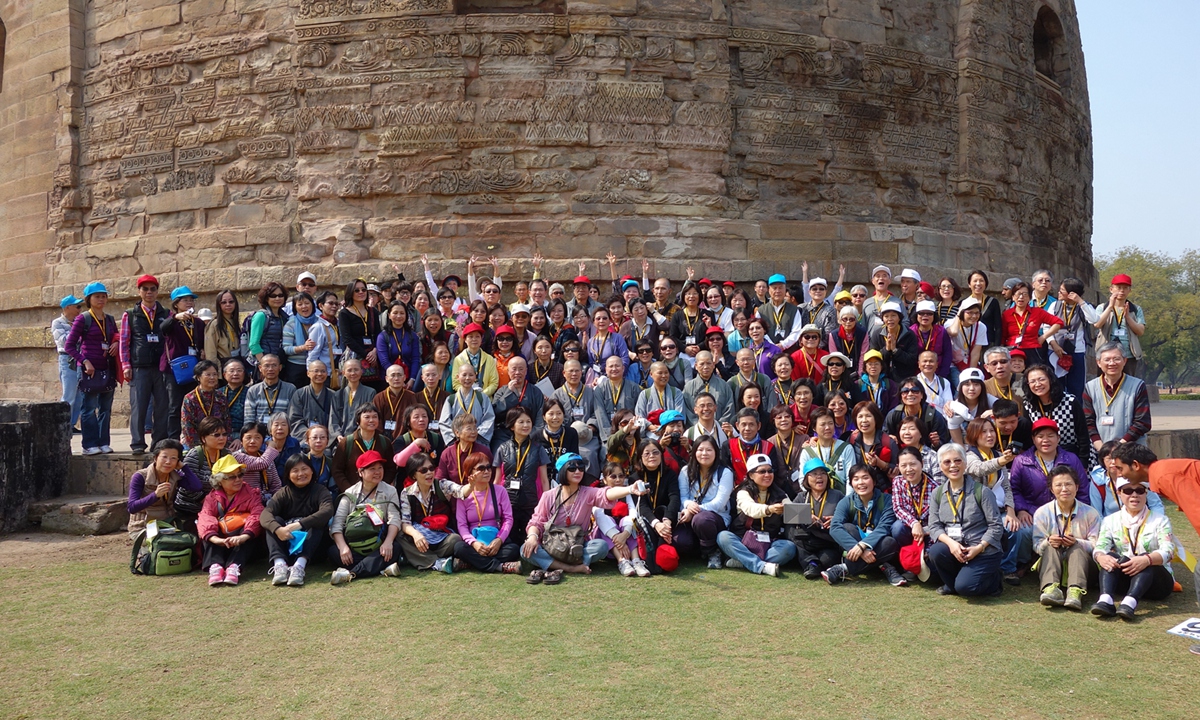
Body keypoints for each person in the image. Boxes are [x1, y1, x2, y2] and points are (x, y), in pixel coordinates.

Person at [521, 453, 646, 584]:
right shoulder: (549, 496)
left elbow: (606, 493)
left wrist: (630, 489)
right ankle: (572, 568)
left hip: (577, 546)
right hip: (552, 545)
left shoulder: (587, 493)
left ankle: (552, 565)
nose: (577, 471)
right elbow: (536, 521)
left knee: (601, 546)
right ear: (562, 470)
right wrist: (532, 537)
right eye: (572, 468)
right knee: (525, 549)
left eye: (580, 467)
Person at [1007, 417, 1089, 585]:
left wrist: (1079, 513)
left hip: (1065, 512)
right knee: (1023, 531)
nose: (1045, 440)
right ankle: (1025, 562)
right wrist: (1021, 509)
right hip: (1032, 511)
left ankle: (1067, 566)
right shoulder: (1021, 461)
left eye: (1050, 435)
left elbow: (1082, 489)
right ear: (1033, 439)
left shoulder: (1071, 459)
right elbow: (1014, 488)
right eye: (1040, 436)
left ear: (1058, 438)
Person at [1090, 476, 1176, 620]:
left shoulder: (1160, 520)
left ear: (1146, 493)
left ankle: (1130, 603)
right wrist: (1101, 556)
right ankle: (1106, 600)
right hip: (1126, 579)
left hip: (1157, 583)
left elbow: (1169, 551)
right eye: (1128, 491)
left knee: (1145, 559)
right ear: (1119, 493)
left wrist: (1147, 560)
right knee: (1111, 557)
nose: (1134, 495)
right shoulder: (1110, 520)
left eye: (1140, 491)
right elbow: (1100, 546)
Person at [925, 443, 1005, 597]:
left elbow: (996, 526)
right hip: (956, 548)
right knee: (936, 551)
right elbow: (934, 526)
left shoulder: (982, 492)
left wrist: (979, 548)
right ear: (941, 466)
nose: (953, 465)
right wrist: (952, 544)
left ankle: (994, 580)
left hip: (982, 550)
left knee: (966, 589)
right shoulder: (937, 493)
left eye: (957, 461)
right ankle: (953, 584)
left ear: (965, 464)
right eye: (947, 462)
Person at [822, 464, 907, 586]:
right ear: (851, 483)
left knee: (889, 542)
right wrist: (858, 548)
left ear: (874, 481)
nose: (861, 482)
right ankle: (884, 565)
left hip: (879, 543)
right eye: (856, 479)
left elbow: (884, 527)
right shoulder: (846, 501)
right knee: (847, 528)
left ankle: (844, 568)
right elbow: (835, 527)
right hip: (856, 543)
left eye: (865, 478)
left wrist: (862, 546)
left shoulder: (887, 500)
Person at [328, 450, 405, 584]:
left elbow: (394, 519)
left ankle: (351, 574)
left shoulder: (390, 491)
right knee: (333, 551)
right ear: (360, 472)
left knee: (395, 547)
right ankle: (381, 568)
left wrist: (388, 542)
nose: (377, 472)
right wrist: (343, 547)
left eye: (380, 468)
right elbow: (337, 523)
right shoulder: (350, 493)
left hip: (379, 544)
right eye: (372, 469)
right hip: (355, 544)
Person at [1032, 465, 1101, 611]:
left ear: (1077, 487)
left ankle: (1075, 592)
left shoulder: (1091, 513)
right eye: (1058, 485)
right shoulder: (1042, 513)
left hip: (1084, 569)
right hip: (1052, 565)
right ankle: (1051, 589)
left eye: (1068, 484)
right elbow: (1037, 546)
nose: (1064, 489)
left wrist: (1077, 542)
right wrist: (1048, 542)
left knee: (1077, 548)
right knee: (1050, 546)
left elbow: (1098, 545)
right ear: (1052, 489)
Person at [714, 453, 795, 577]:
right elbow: (750, 509)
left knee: (789, 547)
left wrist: (807, 516)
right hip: (743, 540)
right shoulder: (743, 492)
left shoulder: (780, 493)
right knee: (723, 537)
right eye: (762, 471)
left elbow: (793, 511)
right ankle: (761, 565)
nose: (767, 475)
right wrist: (769, 509)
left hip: (769, 542)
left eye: (770, 471)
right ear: (751, 475)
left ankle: (744, 561)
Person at [260, 454, 334, 587]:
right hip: (288, 547)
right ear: (288, 475)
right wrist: (278, 529)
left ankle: (299, 566)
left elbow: (327, 511)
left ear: (312, 471)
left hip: (313, 550)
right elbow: (265, 514)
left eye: (304, 469)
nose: (301, 474)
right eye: (295, 470)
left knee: (318, 522)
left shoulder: (320, 490)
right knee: (273, 521)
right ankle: (280, 565)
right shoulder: (283, 493)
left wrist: (298, 525)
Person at [393, 445, 467, 573]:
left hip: (441, 536)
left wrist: (472, 484)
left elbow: (461, 491)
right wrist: (416, 535)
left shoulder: (442, 485)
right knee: (400, 535)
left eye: (431, 468)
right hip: (419, 537)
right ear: (414, 475)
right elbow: (405, 522)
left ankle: (414, 558)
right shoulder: (407, 493)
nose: (429, 473)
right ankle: (437, 562)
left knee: (455, 539)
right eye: (423, 470)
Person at [66, 282, 119, 455]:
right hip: (89, 370)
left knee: (105, 409)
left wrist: (116, 342)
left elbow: (116, 335)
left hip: (107, 368)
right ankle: (89, 445)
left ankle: (104, 442)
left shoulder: (109, 319)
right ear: (89, 299)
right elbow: (69, 346)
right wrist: (85, 361)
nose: (101, 299)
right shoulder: (83, 318)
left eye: (104, 296)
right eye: (97, 296)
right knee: (88, 409)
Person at [120, 275, 170, 453]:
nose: (149, 292)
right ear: (139, 291)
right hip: (139, 367)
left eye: (152, 289)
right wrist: (126, 365)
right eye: (145, 289)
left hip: (161, 367)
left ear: (157, 291)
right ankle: (138, 443)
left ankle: (159, 443)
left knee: (162, 406)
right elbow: (124, 342)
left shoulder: (165, 314)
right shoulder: (130, 314)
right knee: (139, 407)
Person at [197, 455, 264, 587]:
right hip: (221, 543)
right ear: (219, 481)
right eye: (232, 477)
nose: (238, 479)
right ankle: (215, 566)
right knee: (209, 531)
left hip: (243, 543)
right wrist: (216, 540)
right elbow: (205, 517)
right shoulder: (211, 497)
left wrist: (244, 536)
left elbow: (257, 514)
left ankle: (234, 566)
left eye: (240, 475)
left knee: (249, 529)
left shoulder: (252, 493)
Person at [453, 452, 523, 574]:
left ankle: (471, 562)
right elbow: (462, 525)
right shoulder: (463, 495)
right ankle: (500, 567)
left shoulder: (500, 491)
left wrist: (499, 540)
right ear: (470, 472)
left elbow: (508, 519)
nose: (487, 471)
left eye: (488, 467)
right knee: (459, 548)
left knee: (513, 549)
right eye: (481, 468)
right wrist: (474, 543)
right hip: (475, 540)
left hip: (495, 538)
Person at [494, 406, 551, 545]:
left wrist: (547, 504)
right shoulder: (502, 448)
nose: (526, 425)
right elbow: (497, 480)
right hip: (508, 503)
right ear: (511, 425)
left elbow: (544, 480)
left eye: (528, 421)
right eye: (521, 422)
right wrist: (494, 504)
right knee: (510, 542)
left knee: (530, 540)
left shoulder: (538, 448)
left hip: (532, 503)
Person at [675, 436, 735, 568]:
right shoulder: (686, 471)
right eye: (700, 449)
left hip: (716, 518)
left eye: (709, 450)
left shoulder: (725, 472)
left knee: (702, 519)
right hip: (691, 516)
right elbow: (683, 497)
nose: (704, 453)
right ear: (694, 451)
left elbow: (719, 503)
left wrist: (694, 510)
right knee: (681, 542)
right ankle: (701, 549)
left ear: (716, 452)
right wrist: (687, 505)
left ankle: (713, 551)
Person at [127, 439, 204, 537]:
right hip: (143, 526)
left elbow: (197, 487)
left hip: (167, 525)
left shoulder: (175, 476)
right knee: (163, 545)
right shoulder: (140, 476)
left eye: (173, 458)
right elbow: (132, 507)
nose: (168, 462)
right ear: (155, 457)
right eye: (164, 457)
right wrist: (155, 495)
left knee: (186, 542)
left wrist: (184, 467)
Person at [1082, 342, 1151, 450]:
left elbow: (1142, 422)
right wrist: (1102, 450)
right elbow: (1088, 422)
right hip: (1100, 450)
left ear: (1125, 361)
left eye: (1116, 359)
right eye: (1107, 359)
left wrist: (1118, 448)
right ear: (1098, 362)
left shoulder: (1138, 386)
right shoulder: (1090, 388)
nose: (1112, 363)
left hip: (1132, 450)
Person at [1022, 363, 1092, 466]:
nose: (1037, 384)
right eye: (1032, 381)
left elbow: (1083, 434)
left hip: (1072, 455)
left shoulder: (1070, 401)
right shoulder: (1028, 405)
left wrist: (1083, 462)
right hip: (1043, 458)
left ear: (1050, 379)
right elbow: (1028, 436)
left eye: (1041, 379)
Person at [630, 440, 681, 574]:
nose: (651, 456)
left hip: (666, 518)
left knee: (683, 542)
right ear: (640, 457)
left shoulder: (670, 474)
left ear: (661, 455)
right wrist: (656, 524)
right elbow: (641, 505)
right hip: (648, 520)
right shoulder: (635, 478)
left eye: (655, 452)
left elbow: (674, 498)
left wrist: (667, 521)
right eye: (646, 453)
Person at [1093, 273, 1145, 378]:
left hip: (1128, 354)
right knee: (1105, 382)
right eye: (1118, 287)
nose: (1121, 291)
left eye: (1125, 288)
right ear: (1111, 289)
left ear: (1129, 290)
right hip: (1106, 353)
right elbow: (1097, 324)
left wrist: (1128, 317)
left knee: (1128, 382)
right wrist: (1110, 307)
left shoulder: (1135, 309)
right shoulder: (1102, 307)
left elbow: (1140, 331)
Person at [332, 405, 395, 490]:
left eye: (375, 417)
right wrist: (349, 491)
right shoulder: (347, 442)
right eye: (367, 417)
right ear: (358, 421)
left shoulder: (385, 442)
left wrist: (381, 488)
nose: (371, 420)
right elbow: (337, 470)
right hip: (352, 492)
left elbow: (391, 469)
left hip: (379, 492)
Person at [1001, 281, 1063, 368]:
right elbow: (1003, 335)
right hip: (1012, 350)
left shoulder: (1037, 312)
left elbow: (1059, 323)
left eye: (1025, 294)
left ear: (1030, 297)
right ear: (1013, 297)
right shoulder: (1006, 314)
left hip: (1032, 350)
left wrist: (1044, 337)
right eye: (1018, 294)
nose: (1021, 297)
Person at [891, 446, 939, 549]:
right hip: (909, 526)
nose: (909, 469)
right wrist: (914, 523)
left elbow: (937, 518)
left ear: (922, 463)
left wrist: (924, 529)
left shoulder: (935, 488)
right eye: (903, 465)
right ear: (898, 467)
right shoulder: (898, 481)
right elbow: (898, 508)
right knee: (897, 528)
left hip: (929, 529)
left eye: (913, 464)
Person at [799, 409, 857, 493]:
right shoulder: (808, 452)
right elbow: (802, 479)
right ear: (814, 428)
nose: (827, 427)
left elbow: (851, 478)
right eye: (823, 424)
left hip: (841, 497)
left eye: (830, 423)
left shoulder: (846, 448)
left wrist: (847, 500)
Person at [883, 377, 949, 449]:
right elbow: (884, 435)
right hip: (900, 452)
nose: (910, 394)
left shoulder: (933, 415)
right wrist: (889, 439)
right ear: (901, 396)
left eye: (915, 391)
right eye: (905, 391)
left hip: (927, 452)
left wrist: (936, 444)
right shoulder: (894, 414)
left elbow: (944, 442)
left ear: (922, 395)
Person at [179, 360, 229, 451]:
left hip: (218, 439)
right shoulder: (190, 398)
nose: (212, 377)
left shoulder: (220, 396)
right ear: (198, 377)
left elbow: (226, 421)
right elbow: (187, 426)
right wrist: (200, 447)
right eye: (208, 375)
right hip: (196, 441)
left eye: (214, 374)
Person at [53, 294, 85, 432]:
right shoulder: (58, 323)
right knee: (69, 394)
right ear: (67, 307)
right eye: (77, 306)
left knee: (79, 396)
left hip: (80, 358)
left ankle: (71, 424)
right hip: (67, 359)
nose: (80, 309)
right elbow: (64, 341)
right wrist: (78, 331)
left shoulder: (79, 321)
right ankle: (62, 425)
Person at [869, 301, 918, 381]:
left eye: (893, 316)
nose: (890, 319)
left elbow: (912, 359)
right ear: (882, 318)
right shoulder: (877, 334)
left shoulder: (909, 334)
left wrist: (895, 350)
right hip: (882, 377)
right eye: (886, 316)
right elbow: (873, 358)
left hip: (904, 378)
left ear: (899, 318)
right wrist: (887, 349)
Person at [329, 358, 377, 440]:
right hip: (341, 438)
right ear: (344, 373)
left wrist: (355, 435)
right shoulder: (338, 395)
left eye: (356, 370)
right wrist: (338, 435)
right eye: (349, 370)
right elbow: (333, 419)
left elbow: (369, 417)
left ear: (361, 371)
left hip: (361, 437)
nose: (353, 373)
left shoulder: (370, 392)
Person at [287, 360, 335, 441]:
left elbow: (335, 421)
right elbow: (294, 419)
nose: (319, 374)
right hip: (304, 439)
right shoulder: (299, 394)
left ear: (327, 373)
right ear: (308, 373)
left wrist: (323, 436)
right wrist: (311, 436)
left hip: (326, 439)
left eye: (323, 371)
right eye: (316, 371)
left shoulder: (333, 395)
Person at [281, 291, 320, 387]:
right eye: (300, 304)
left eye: (307, 303)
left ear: (312, 305)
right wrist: (303, 347)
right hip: (296, 367)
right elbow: (286, 349)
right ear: (295, 307)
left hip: (317, 365)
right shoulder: (291, 324)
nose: (304, 307)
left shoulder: (320, 322)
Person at [244, 354, 294, 425]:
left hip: (281, 429)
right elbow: (249, 418)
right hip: (259, 430)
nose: (270, 369)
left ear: (280, 367)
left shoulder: (290, 389)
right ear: (260, 368)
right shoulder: (253, 390)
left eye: (274, 365)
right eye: (266, 366)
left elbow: (292, 416)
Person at [756, 273, 802, 351]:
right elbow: (759, 331)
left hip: (789, 351)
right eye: (774, 288)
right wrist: (772, 346)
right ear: (769, 290)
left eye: (780, 288)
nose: (778, 291)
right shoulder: (761, 311)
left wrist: (783, 345)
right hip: (767, 351)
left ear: (785, 290)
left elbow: (796, 331)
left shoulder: (794, 310)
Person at [910, 301, 952, 381]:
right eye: (921, 313)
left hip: (938, 373)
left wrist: (942, 376)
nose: (925, 316)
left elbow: (947, 354)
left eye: (929, 313)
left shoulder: (941, 331)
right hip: (915, 375)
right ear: (916, 315)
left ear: (934, 316)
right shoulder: (910, 332)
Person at [373, 363, 416, 439]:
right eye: (393, 375)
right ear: (386, 378)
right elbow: (376, 420)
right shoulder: (379, 397)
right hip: (383, 438)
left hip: (406, 438)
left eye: (399, 375)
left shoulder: (411, 396)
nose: (396, 378)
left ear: (404, 377)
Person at [964, 270, 1003, 350]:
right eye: (975, 281)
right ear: (969, 284)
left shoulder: (993, 302)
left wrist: (996, 347)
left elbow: (998, 327)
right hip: (969, 344)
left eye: (981, 281)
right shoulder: (964, 303)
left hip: (988, 344)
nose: (978, 283)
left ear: (985, 284)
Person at [205, 289, 244, 364]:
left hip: (238, 362)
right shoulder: (214, 324)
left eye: (231, 302)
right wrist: (216, 369)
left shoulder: (236, 322)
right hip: (223, 364)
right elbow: (210, 353)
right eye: (224, 302)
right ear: (219, 305)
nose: (228, 304)